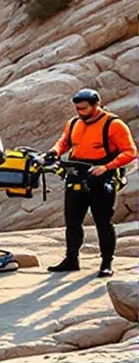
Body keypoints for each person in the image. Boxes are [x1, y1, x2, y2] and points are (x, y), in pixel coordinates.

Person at [49, 87, 134, 275]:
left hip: (102, 177)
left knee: (103, 222)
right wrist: (54, 151)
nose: (80, 112)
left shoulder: (114, 124)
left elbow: (130, 152)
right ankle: (71, 259)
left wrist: (107, 167)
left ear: (96, 105)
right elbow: (64, 142)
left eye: (83, 108)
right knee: (72, 221)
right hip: (76, 174)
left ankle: (106, 263)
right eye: (77, 108)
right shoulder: (74, 123)